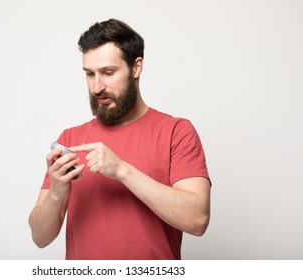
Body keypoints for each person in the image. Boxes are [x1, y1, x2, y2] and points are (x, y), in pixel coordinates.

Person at [29, 19, 211, 260]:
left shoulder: (176, 131)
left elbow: (197, 220)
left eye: (108, 72)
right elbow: (40, 238)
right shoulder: (70, 138)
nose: (97, 87)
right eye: (90, 74)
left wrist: (122, 170)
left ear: (136, 68)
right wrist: (56, 192)